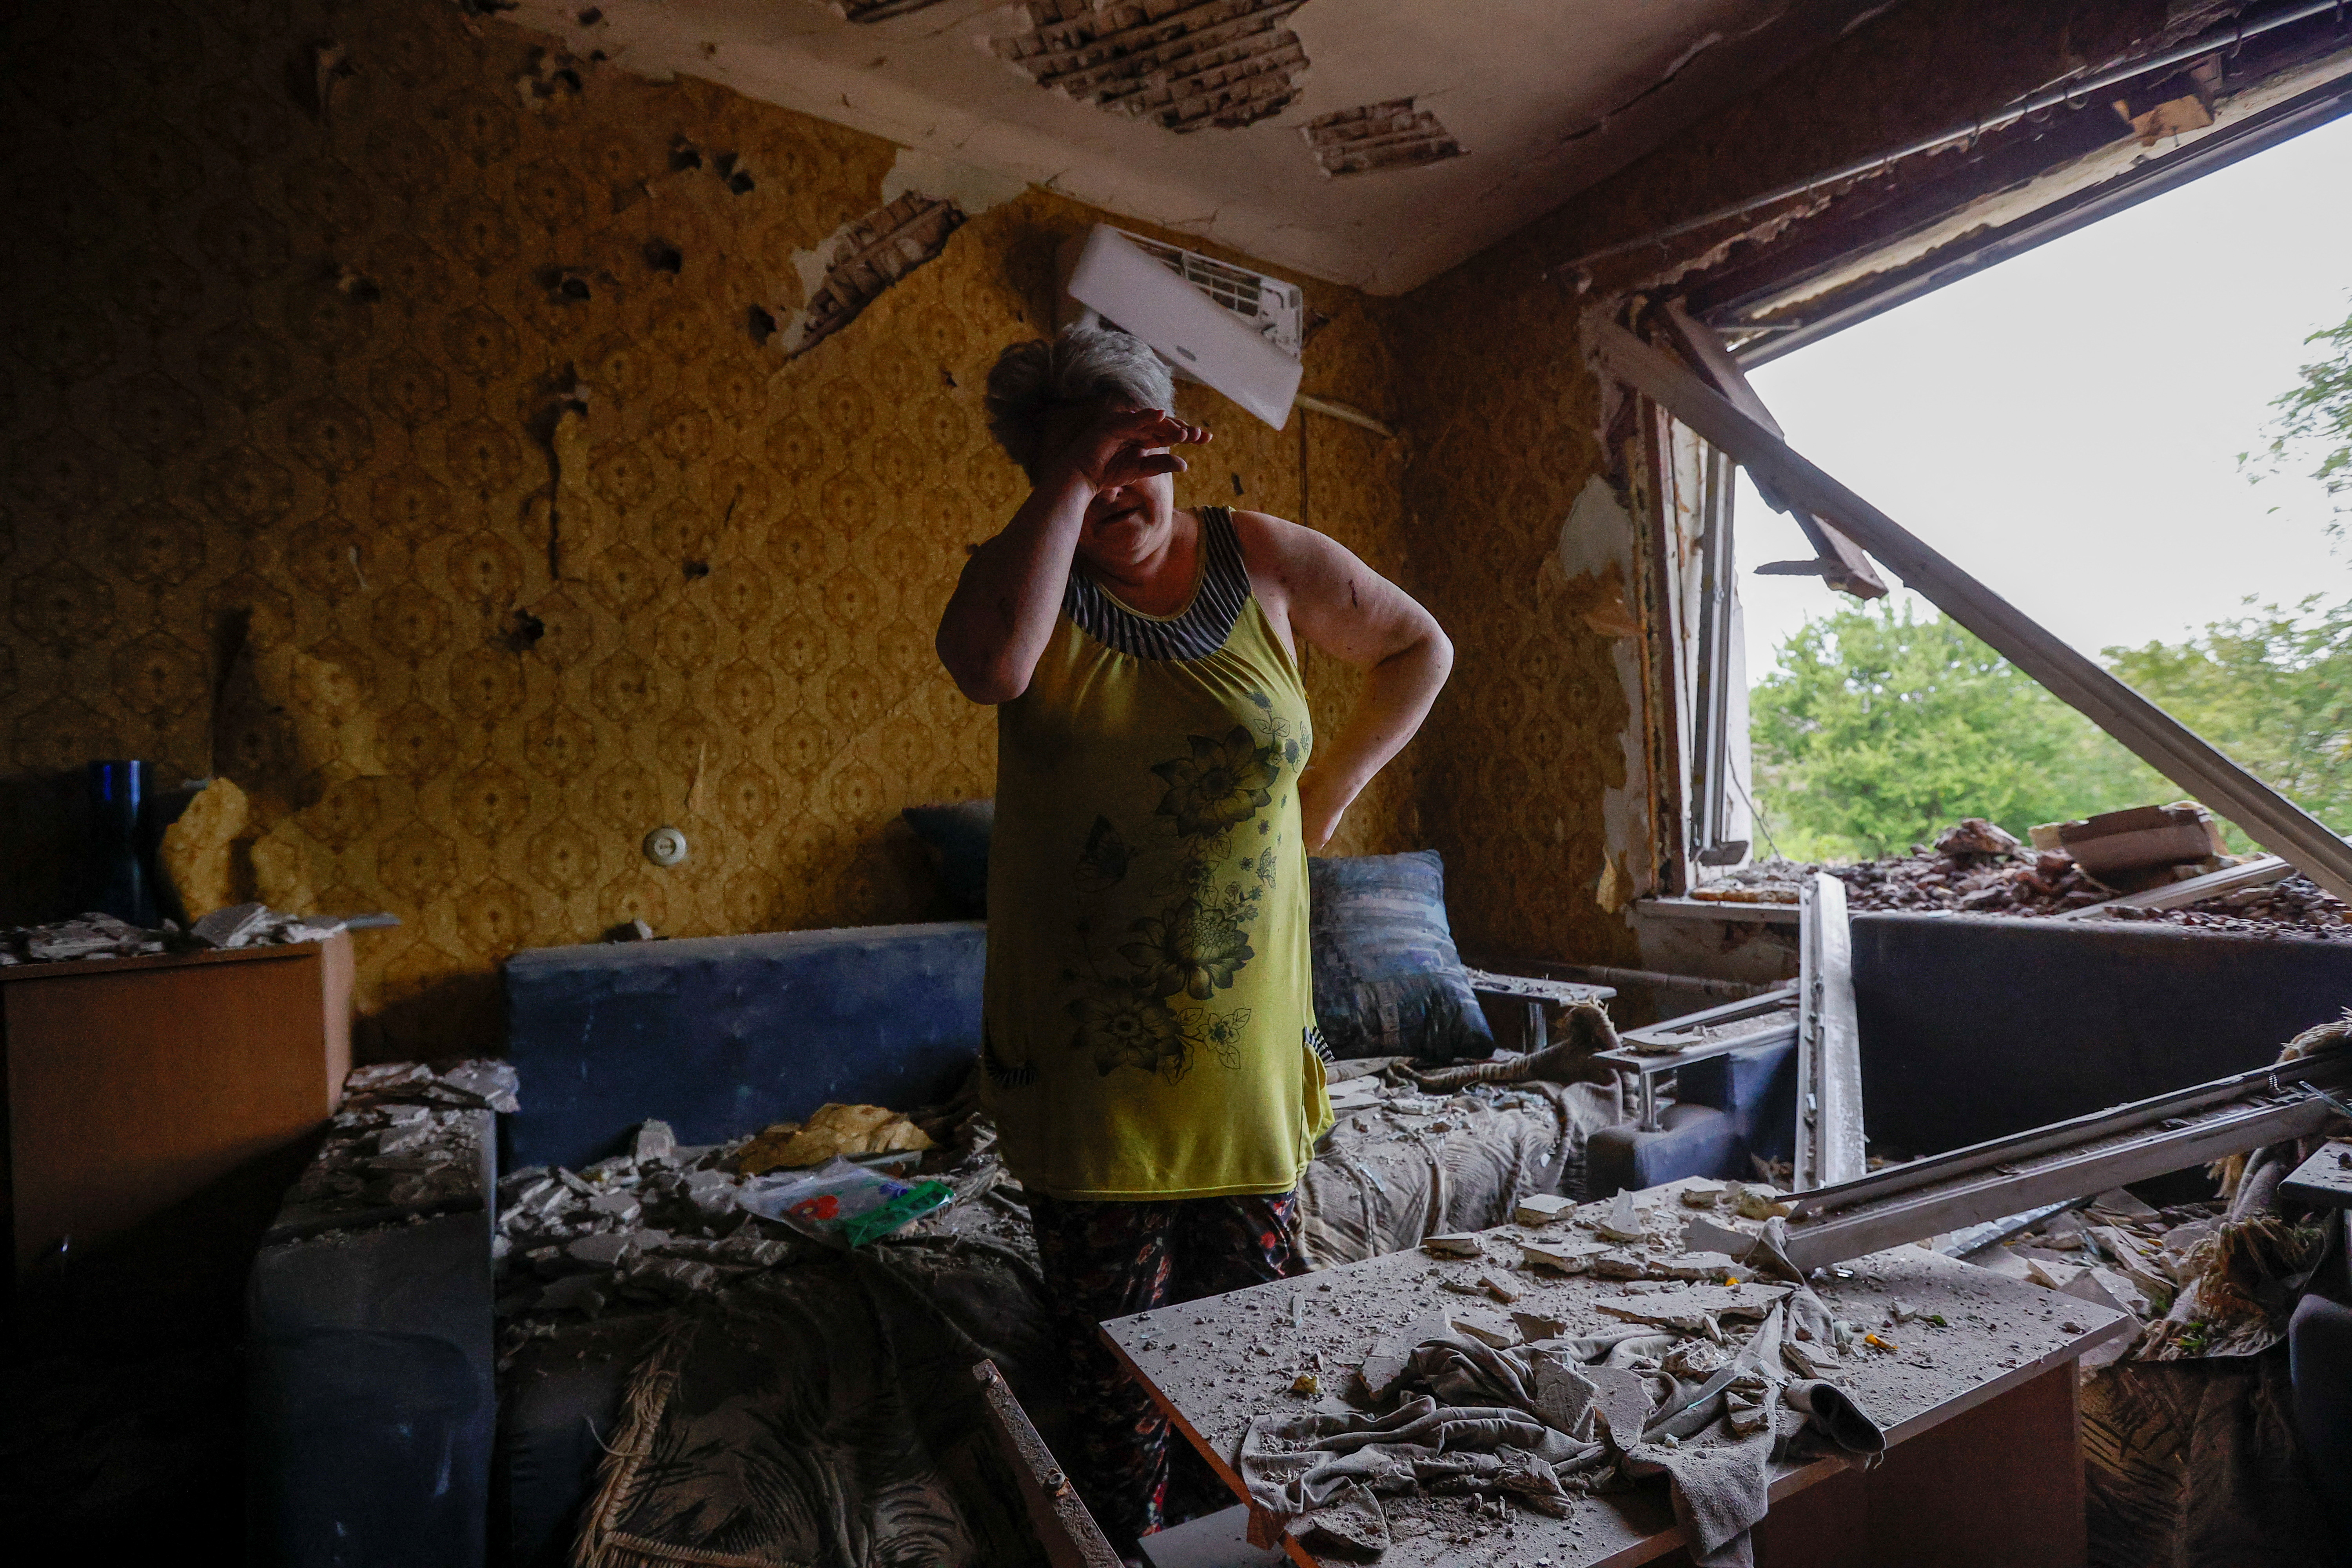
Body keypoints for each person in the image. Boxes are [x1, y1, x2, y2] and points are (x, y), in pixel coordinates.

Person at [936, 323, 1452, 1547]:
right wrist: (1072, 475)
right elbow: (997, 671)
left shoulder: (1260, 553)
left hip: (1246, 1050)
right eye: (1084, 464)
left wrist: (1327, 795)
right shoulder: (1021, 577)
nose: (1121, 488)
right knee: (1119, 1396)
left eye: (1138, 456)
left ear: (1178, 447)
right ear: (1041, 474)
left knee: (1254, 1376)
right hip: (1090, 1069)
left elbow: (1418, 646)